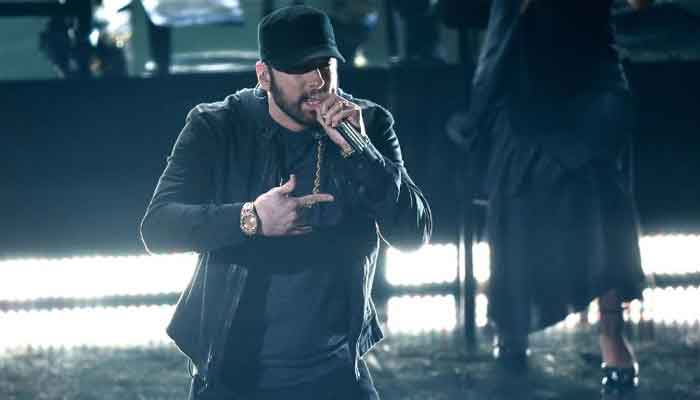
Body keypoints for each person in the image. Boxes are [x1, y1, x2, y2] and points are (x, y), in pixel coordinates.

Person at [140, 6, 431, 400]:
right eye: (300, 68)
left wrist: (362, 152)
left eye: (325, 65)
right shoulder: (218, 126)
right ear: (264, 76)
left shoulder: (369, 124)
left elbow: (414, 234)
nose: (318, 81)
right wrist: (252, 218)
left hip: (336, 371)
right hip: (233, 374)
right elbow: (158, 227)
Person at [449, 0, 651, 393]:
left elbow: (641, 4)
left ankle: (612, 333)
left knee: (597, 190)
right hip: (523, 81)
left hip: (593, 81)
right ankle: (512, 318)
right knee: (517, 183)